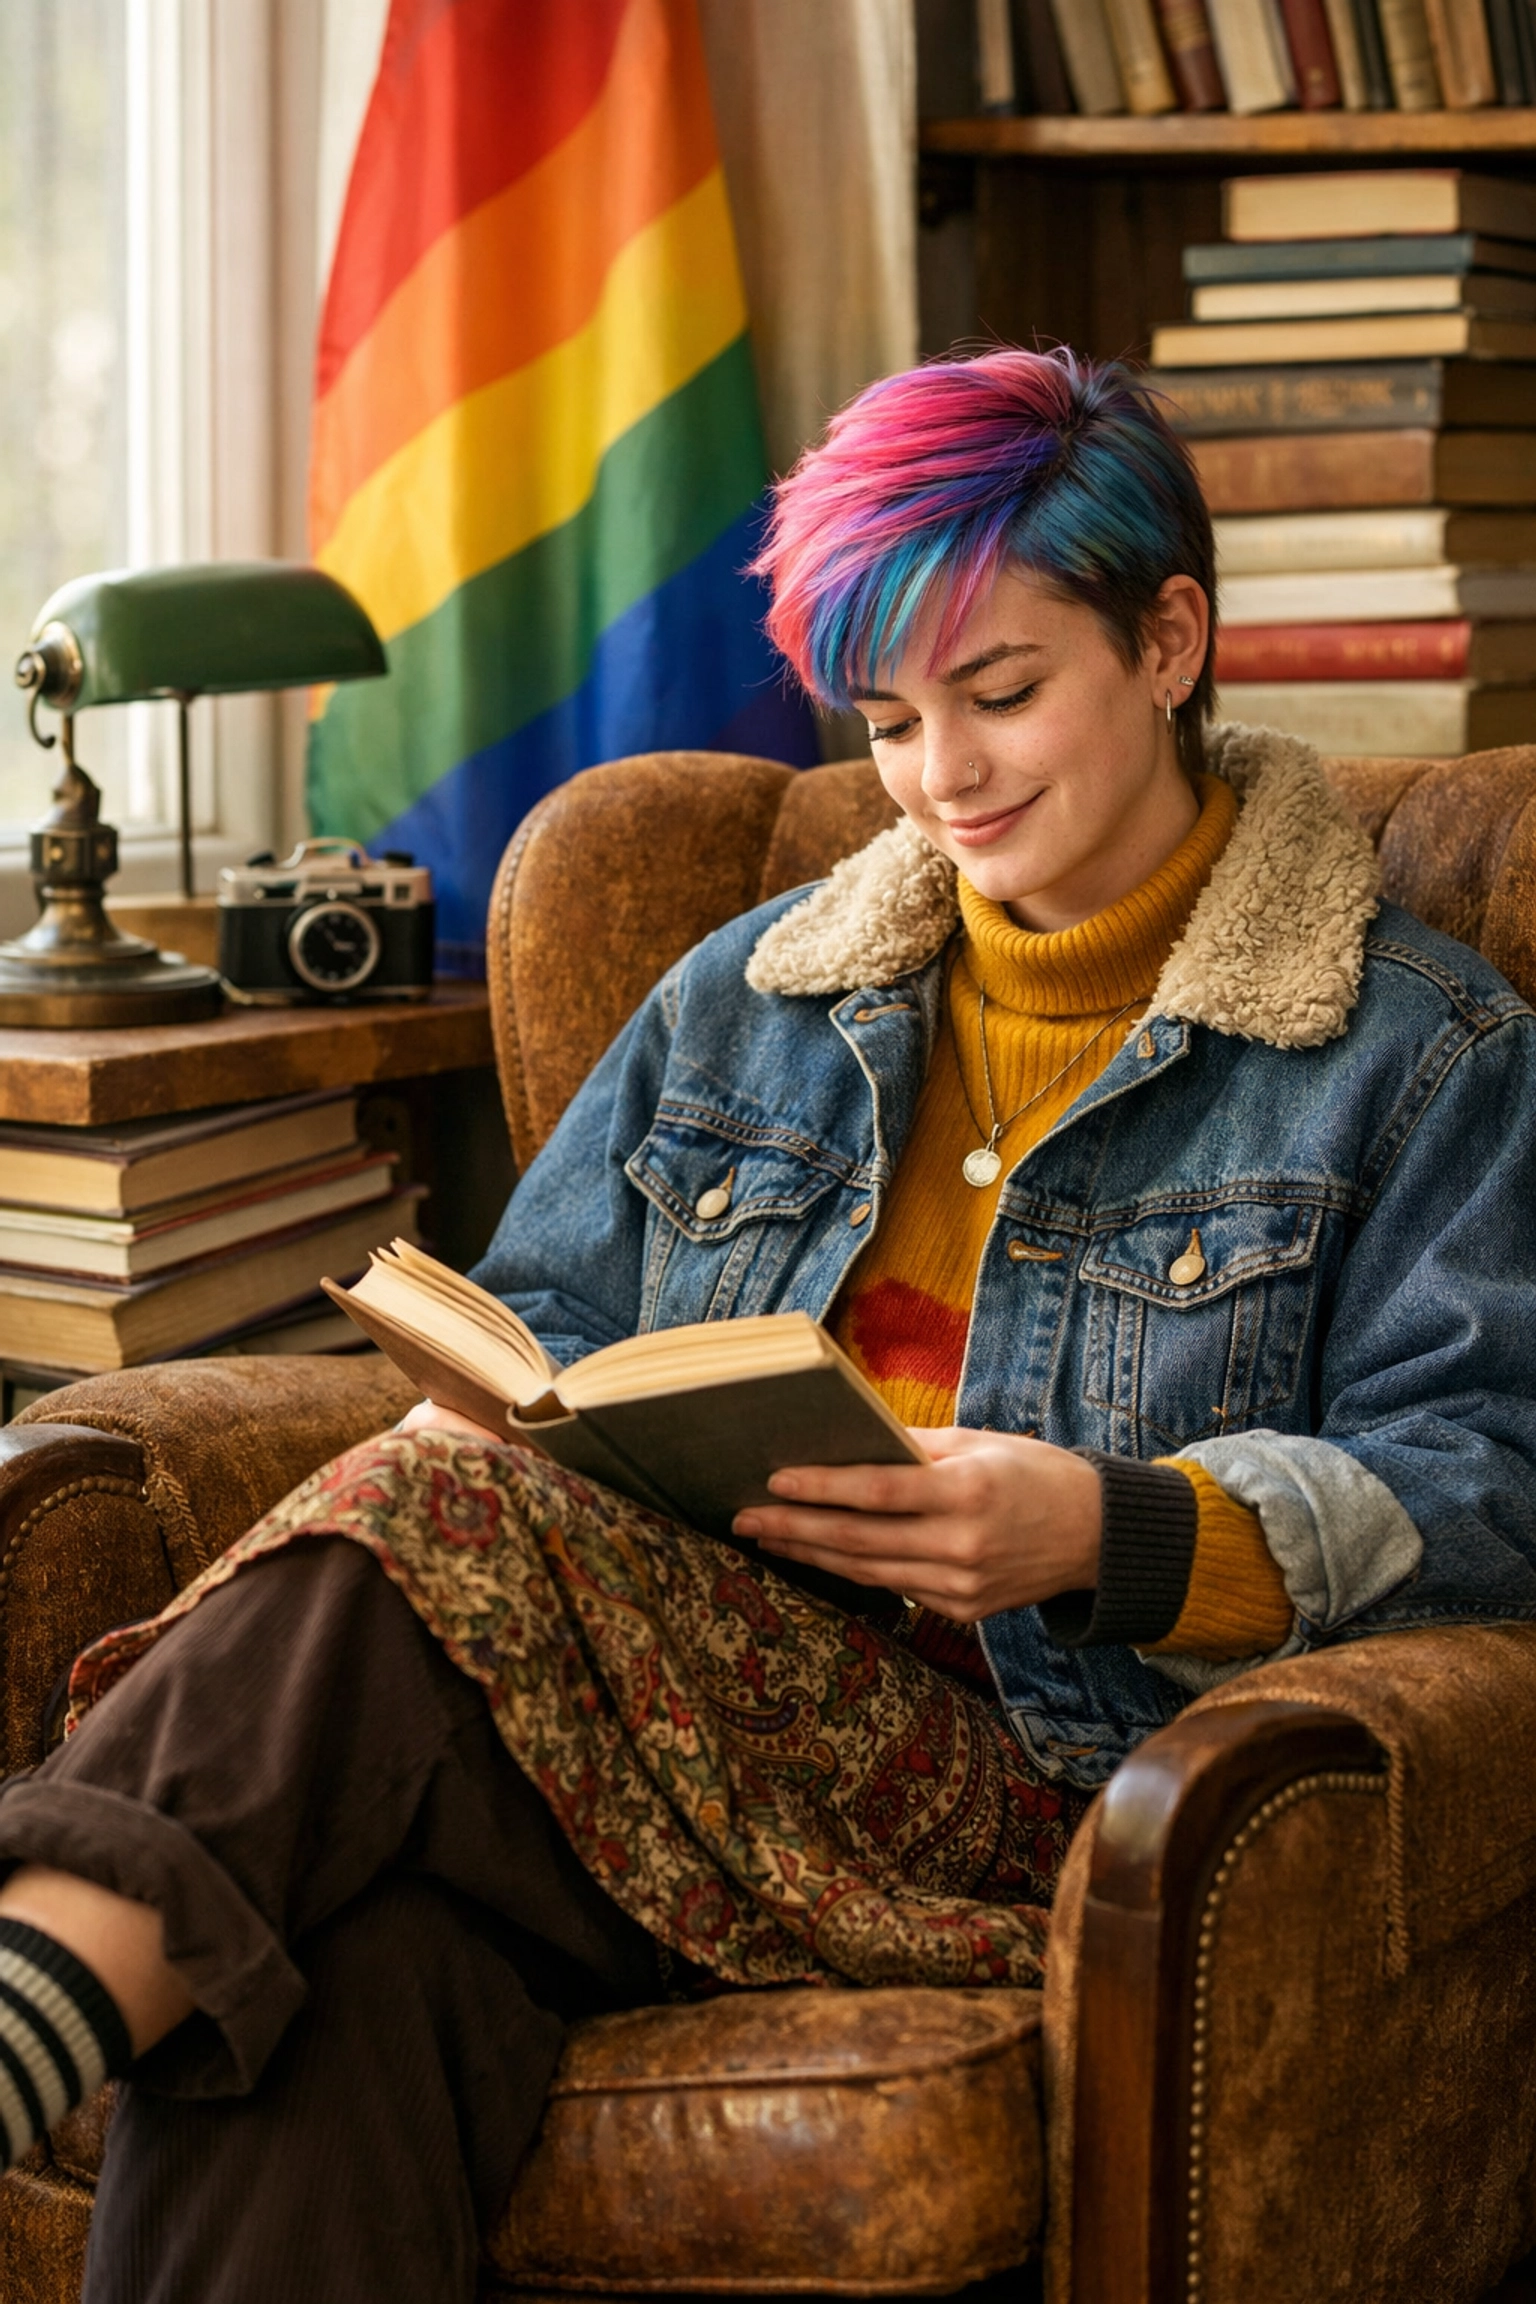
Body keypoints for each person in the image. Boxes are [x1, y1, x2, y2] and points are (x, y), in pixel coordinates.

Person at [2, 346, 1534, 2302]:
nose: (940, 776)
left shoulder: (1416, 1057)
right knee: (330, 1969)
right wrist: (515, 1412)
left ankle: (32, 1985)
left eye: (1000, 695)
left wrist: (1105, 1528)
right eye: (889, 719)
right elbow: (549, 1331)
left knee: (409, 1554)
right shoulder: (749, 1000)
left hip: (1046, 1803)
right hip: (648, 1739)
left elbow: (1491, 1489)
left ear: (1169, 641)